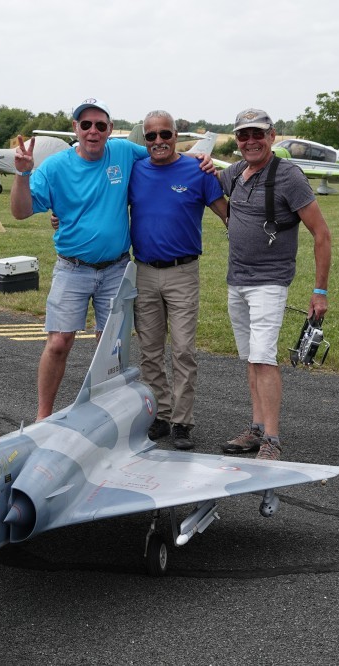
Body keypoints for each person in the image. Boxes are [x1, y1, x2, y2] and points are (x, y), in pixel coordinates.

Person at [9, 98, 149, 420]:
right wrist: (22, 173)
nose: (93, 131)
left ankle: (107, 415)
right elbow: (20, 212)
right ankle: (43, 416)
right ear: (76, 128)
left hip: (116, 268)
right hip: (72, 268)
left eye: (100, 125)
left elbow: (162, 157)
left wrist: (198, 160)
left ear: (110, 129)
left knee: (110, 348)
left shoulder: (124, 152)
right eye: (86, 125)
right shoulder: (55, 168)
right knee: (59, 342)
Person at [216, 108, 332, 460]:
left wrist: (320, 291)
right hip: (237, 280)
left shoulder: (289, 177)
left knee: (264, 357)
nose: (250, 141)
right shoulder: (236, 172)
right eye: (243, 135)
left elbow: (321, 234)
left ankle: (272, 439)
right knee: (252, 358)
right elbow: (204, 187)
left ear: (272, 136)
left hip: (269, 282)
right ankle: (256, 429)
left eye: (257, 134)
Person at [129, 110, 228, 450]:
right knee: (150, 351)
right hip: (144, 271)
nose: (158, 141)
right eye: (151, 136)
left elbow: (228, 214)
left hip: (182, 272)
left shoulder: (198, 170)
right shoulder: (136, 170)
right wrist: (60, 216)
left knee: (183, 350)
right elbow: (103, 203)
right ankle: (161, 415)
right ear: (145, 139)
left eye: (165, 134)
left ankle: (183, 422)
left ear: (176, 136)